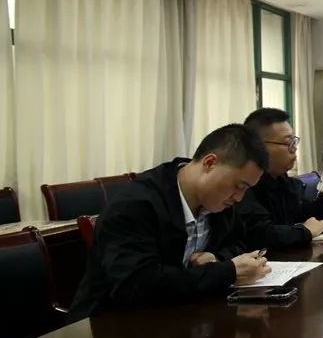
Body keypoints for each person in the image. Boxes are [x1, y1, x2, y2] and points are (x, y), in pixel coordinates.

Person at [69, 124, 273, 320]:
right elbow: (137, 284)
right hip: (113, 323)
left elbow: (238, 242)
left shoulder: (217, 203)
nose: (239, 197)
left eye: (246, 190)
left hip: (182, 315)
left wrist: (217, 257)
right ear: (210, 163)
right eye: (239, 186)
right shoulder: (136, 204)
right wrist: (227, 272)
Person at [236, 108, 323, 249]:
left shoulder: (283, 180)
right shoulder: (243, 185)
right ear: (259, 146)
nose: (294, 149)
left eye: (295, 142)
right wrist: (304, 231)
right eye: (288, 142)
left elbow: (304, 214)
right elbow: (259, 234)